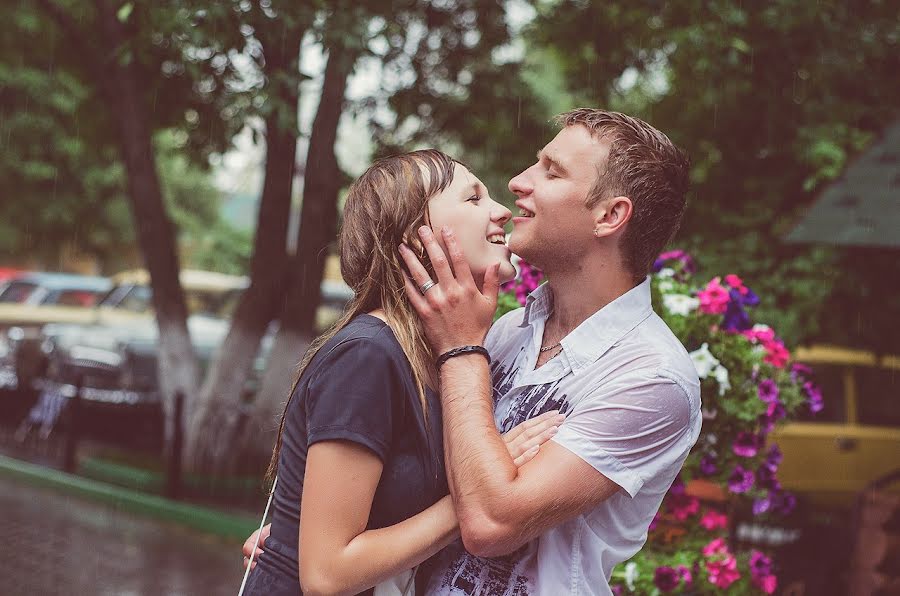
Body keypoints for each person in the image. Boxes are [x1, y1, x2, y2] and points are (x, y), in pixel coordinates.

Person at [397, 109, 702, 595]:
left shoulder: (654, 378)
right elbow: (440, 481)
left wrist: (459, 348)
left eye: (551, 171)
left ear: (609, 216)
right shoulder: (507, 331)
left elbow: (490, 523)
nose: (519, 182)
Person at [240, 149, 564, 595]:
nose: (501, 211)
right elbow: (326, 575)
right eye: (473, 199)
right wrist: (468, 505)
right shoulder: (368, 355)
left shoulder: (439, 360)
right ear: (417, 235)